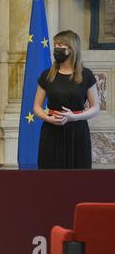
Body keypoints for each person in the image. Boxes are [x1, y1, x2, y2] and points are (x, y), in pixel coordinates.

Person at [33, 30, 100, 169]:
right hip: (51, 131)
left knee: (78, 181)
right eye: (55, 45)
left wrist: (74, 117)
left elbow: (95, 108)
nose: (56, 48)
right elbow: (37, 107)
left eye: (61, 45)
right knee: (50, 180)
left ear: (72, 49)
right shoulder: (47, 75)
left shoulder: (86, 75)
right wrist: (48, 118)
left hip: (77, 132)